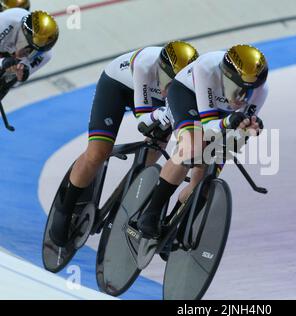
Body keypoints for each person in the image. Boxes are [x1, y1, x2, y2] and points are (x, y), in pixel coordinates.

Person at [49, 41, 199, 247]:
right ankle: (65, 209)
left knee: (152, 153)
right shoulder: (146, 64)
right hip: (117, 87)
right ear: (160, 69)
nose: (170, 86)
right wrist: (164, 115)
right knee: (98, 152)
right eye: (168, 80)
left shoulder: (192, 81)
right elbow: (144, 122)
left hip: (156, 100)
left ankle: (126, 196)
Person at [137, 44, 269, 239]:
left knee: (204, 182)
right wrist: (227, 122)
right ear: (226, 75)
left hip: (221, 113)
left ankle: (176, 229)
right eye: (238, 89)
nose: (241, 97)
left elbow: (237, 132)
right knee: (192, 149)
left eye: (247, 92)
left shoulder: (261, 90)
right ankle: (151, 212)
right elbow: (207, 127)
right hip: (187, 95)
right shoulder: (207, 67)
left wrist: (248, 130)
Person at [0, 8, 57, 83]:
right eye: (29, 49)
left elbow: (9, 83)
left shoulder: (45, 54)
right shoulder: (3, 24)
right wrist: (3, 62)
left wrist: (15, 77)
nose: (27, 54)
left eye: (34, 51)